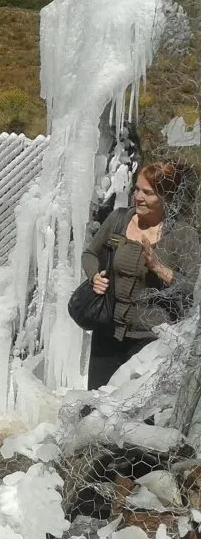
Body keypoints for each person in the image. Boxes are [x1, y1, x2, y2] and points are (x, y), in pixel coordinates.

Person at [82, 162, 200, 389]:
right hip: (108, 332)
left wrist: (158, 267)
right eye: (137, 189)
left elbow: (194, 287)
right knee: (94, 409)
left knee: (136, 417)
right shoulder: (118, 220)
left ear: (167, 197)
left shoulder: (182, 235)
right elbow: (89, 254)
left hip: (150, 341)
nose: (138, 197)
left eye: (148, 192)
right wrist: (94, 275)